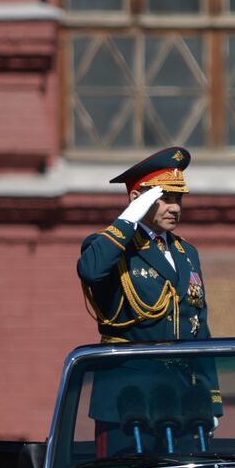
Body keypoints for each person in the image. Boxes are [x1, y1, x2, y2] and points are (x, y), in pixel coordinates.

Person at [78, 146, 211, 344]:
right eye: (165, 199)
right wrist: (128, 218)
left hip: (181, 373)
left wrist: (204, 376)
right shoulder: (112, 245)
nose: (175, 208)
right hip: (133, 370)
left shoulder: (187, 252)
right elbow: (91, 271)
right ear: (136, 199)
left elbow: (200, 329)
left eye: (178, 199)